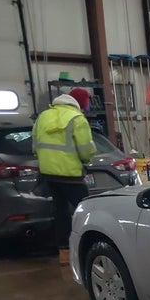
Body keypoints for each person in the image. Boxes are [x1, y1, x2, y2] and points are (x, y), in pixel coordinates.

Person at [32, 88, 96, 265]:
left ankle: (64, 254)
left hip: (49, 175)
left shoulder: (43, 117)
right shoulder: (76, 118)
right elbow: (86, 151)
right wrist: (87, 158)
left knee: (60, 212)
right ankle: (91, 246)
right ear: (81, 103)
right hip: (71, 175)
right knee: (88, 211)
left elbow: (34, 146)